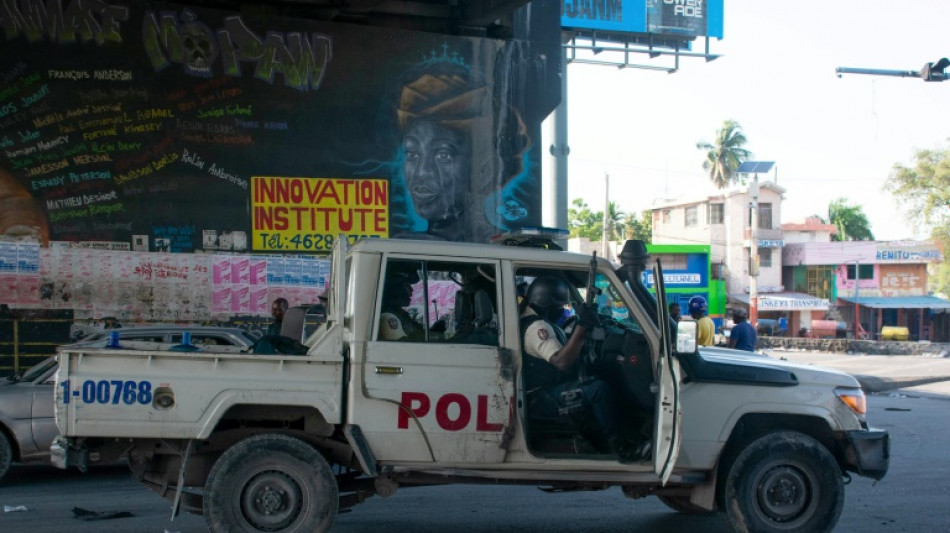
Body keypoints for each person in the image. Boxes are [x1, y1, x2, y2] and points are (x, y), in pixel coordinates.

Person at [520, 276, 647, 462]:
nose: (562, 310)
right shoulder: (537, 327)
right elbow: (562, 362)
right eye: (559, 306)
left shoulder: (535, 319)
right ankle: (620, 447)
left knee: (599, 375)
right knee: (598, 390)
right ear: (547, 304)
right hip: (542, 398)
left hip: (546, 390)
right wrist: (583, 327)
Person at [394, 68, 530, 242]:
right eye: (412, 154)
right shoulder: (401, 251)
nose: (421, 172)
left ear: (486, 171)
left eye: (443, 155)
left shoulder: (500, 250)